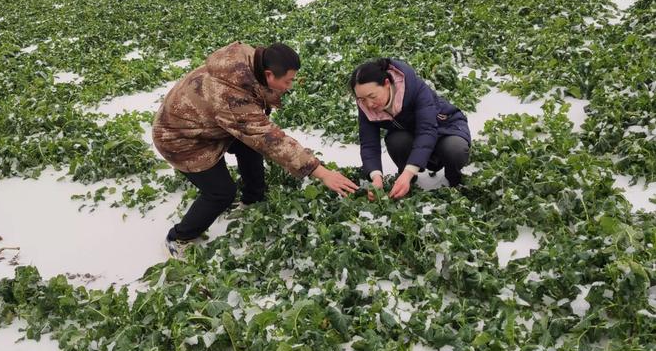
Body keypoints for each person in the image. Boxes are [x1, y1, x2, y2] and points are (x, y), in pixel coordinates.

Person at [153, 41, 358, 257]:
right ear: (269, 74)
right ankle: (178, 237)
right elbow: (270, 139)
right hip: (179, 139)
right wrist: (322, 172)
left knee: (250, 146)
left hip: (208, 124)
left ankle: (253, 199)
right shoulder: (231, 98)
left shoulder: (250, 60)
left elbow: (255, 121)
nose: (290, 87)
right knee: (221, 193)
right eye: (287, 81)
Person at [349, 58, 471, 199]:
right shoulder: (365, 105)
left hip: (444, 129)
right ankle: (407, 180)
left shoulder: (414, 89)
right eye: (361, 99)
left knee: (455, 149)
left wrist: (409, 172)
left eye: (372, 96)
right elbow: (369, 143)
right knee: (396, 140)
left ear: (387, 84)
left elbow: (427, 131)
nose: (368, 104)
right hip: (413, 135)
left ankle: (454, 181)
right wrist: (376, 177)